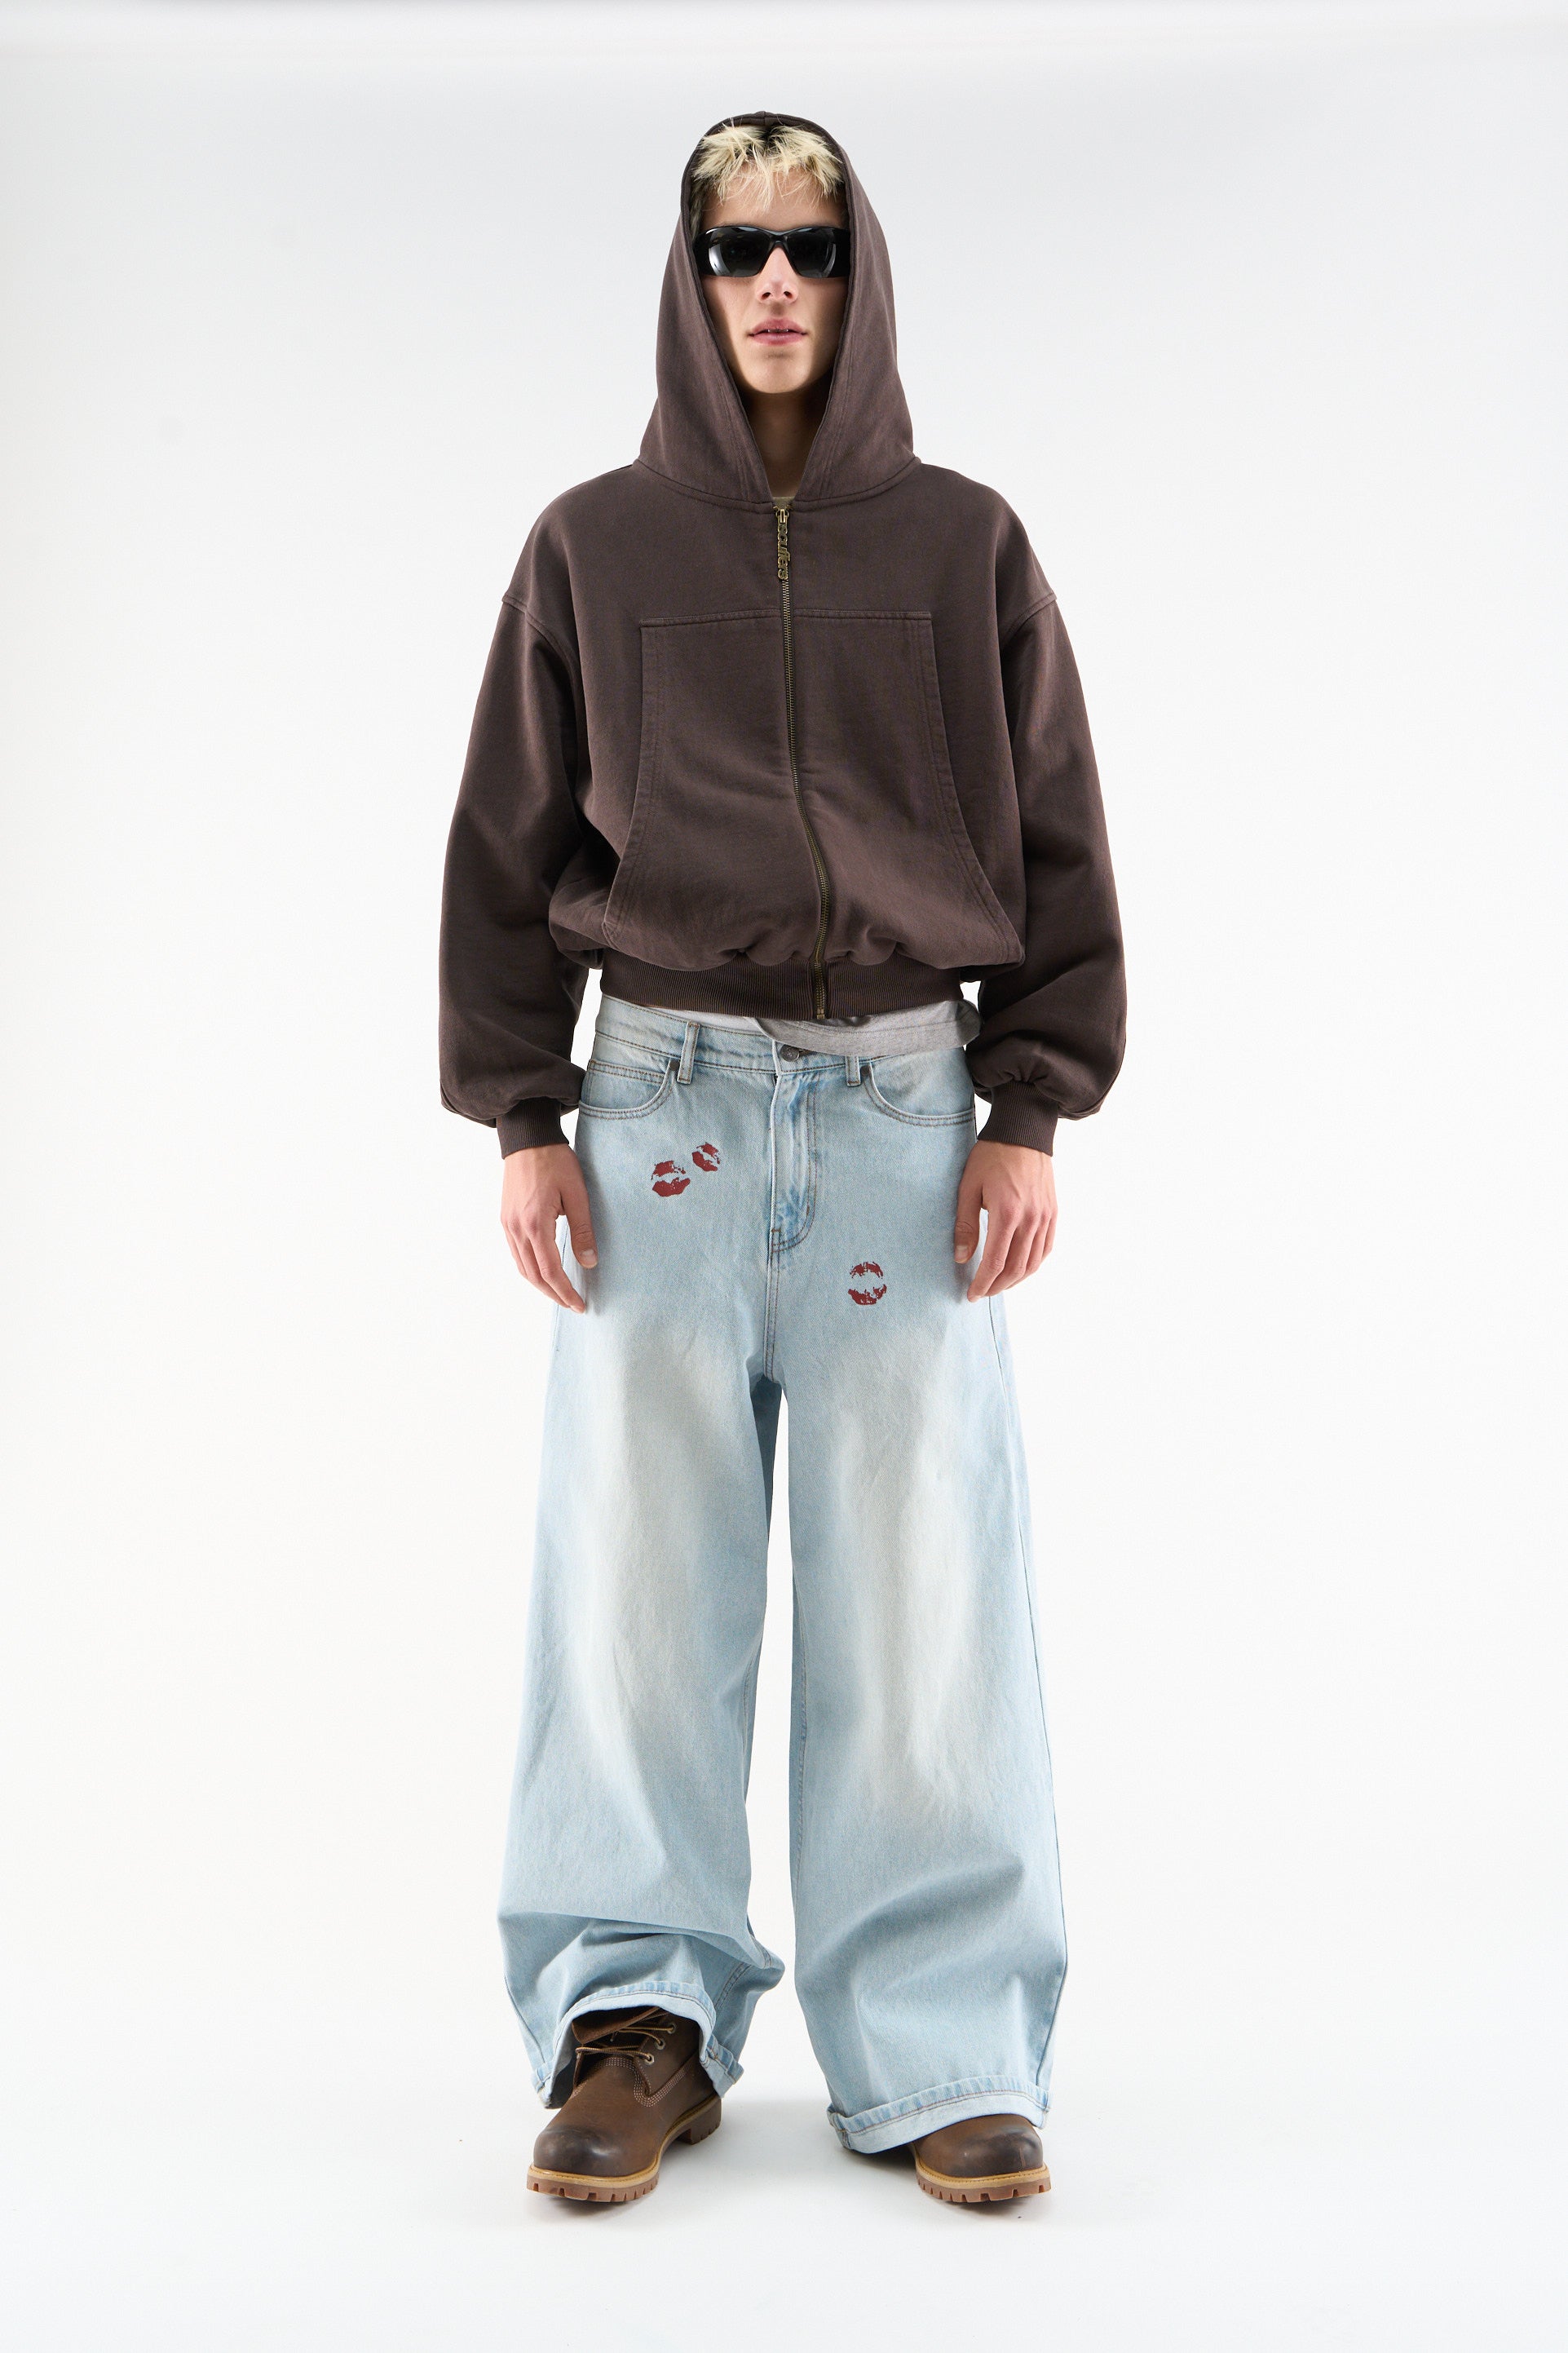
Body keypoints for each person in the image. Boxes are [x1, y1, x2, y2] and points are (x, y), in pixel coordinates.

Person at [438, 111, 1125, 2207]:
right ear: (686, 274)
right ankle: (631, 2017)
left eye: (809, 247)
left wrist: (1028, 1104)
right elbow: (504, 840)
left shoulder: (965, 547)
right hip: (654, 1109)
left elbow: (1056, 834)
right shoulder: (591, 547)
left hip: (907, 1113)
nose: (771, 286)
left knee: (921, 1596)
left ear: (859, 272)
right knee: (635, 1588)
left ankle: (937, 2038)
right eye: (733, 247)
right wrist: (522, 1112)